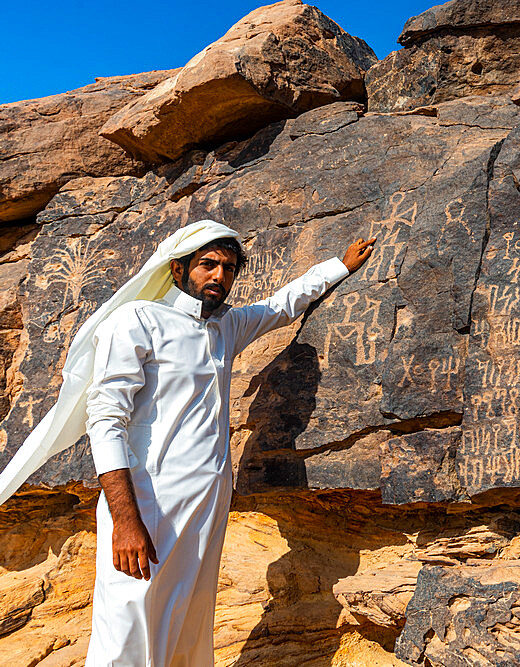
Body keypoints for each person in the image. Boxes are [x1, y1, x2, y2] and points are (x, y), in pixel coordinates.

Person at [83, 225, 375, 666]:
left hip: (206, 505)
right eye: (207, 264)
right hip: (147, 503)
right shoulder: (137, 320)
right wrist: (126, 520)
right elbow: (105, 421)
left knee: (187, 623)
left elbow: (281, 304)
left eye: (228, 268)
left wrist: (339, 266)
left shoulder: (226, 327)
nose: (219, 275)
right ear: (178, 268)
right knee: (127, 623)